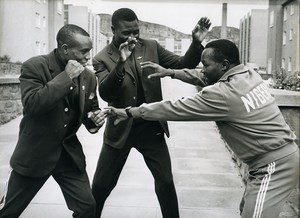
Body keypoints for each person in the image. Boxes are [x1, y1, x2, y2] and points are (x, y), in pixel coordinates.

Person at [107, 39, 299, 218]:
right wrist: (172, 72)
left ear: (224, 65)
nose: (202, 69)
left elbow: (174, 107)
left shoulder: (223, 94)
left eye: (206, 65)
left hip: (273, 166)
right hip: (278, 158)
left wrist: (131, 112)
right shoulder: (249, 74)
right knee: (246, 210)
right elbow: (203, 76)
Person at [91, 7, 211, 218]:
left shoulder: (151, 46)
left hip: (150, 126)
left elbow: (183, 64)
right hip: (120, 129)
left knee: (165, 182)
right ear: (113, 30)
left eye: (136, 31)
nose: (132, 37)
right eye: (126, 33)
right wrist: (120, 62)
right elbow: (105, 92)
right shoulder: (102, 58)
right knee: (101, 186)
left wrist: (195, 42)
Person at [0, 24, 108, 218]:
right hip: (34, 154)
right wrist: (66, 77)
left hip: (68, 156)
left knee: (87, 208)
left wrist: (95, 120)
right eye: (83, 51)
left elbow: (90, 113)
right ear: (65, 49)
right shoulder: (35, 66)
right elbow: (33, 105)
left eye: (89, 52)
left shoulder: (89, 77)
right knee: (8, 212)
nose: (87, 57)